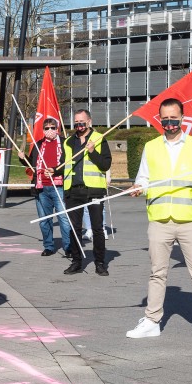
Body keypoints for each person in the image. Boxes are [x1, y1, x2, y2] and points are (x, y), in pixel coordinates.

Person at [126, 99, 192, 341]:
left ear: (182, 118)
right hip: (159, 220)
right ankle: (152, 321)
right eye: (165, 119)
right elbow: (143, 179)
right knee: (157, 273)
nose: (169, 124)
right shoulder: (152, 147)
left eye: (173, 119)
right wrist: (138, 187)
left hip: (189, 221)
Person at [63, 109, 112, 276]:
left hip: (94, 191)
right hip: (73, 191)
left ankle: (100, 263)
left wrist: (92, 152)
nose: (79, 125)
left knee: (97, 228)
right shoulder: (68, 142)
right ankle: (76, 262)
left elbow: (105, 165)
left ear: (89, 122)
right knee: (74, 229)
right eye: (76, 123)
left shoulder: (99, 139)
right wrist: (53, 171)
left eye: (82, 122)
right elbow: (64, 165)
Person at [17, 119, 72, 257]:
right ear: (43, 130)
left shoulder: (66, 143)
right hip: (42, 188)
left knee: (64, 219)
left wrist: (55, 171)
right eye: (46, 128)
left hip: (60, 186)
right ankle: (48, 246)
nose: (50, 130)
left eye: (52, 127)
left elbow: (70, 164)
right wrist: (23, 158)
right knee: (44, 219)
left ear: (57, 128)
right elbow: (31, 165)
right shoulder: (38, 145)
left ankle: (69, 247)